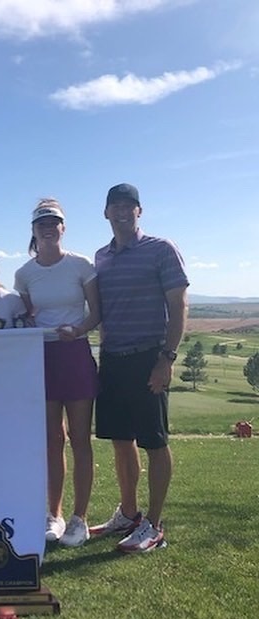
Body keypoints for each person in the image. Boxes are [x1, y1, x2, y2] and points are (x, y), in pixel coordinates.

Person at [90, 183, 188, 553]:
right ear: (106, 213)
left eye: (129, 206)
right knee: (120, 439)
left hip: (150, 356)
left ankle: (154, 525)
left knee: (154, 441)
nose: (122, 211)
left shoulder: (161, 249)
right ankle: (129, 513)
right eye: (115, 205)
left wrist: (167, 358)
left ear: (139, 212)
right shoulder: (101, 257)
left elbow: (179, 306)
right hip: (113, 358)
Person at [14, 199, 100, 547]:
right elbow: (24, 315)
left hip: (75, 353)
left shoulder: (81, 265)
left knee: (80, 439)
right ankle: (55, 514)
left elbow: (96, 313)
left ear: (63, 228)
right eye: (41, 224)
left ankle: (80, 518)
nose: (48, 228)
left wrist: (77, 331)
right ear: (33, 231)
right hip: (43, 357)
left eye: (54, 222)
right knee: (53, 440)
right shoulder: (24, 274)